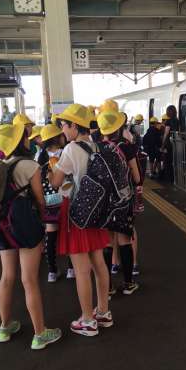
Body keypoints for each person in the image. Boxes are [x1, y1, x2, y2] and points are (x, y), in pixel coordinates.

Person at [0, 124, 62, 350]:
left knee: (7, 276)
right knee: (29, 280)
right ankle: (40, 334)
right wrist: (42, 220)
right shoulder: (29, 165)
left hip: (4, 226)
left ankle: (4, 327)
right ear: (19, 141)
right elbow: (40, 200)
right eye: (25, 137)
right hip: (25, 226)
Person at [49, 104, 112, 336]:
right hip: (97, 211)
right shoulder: (97, 145)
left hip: (78, 213)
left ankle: (87, 320)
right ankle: (103, 312)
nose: (63, 130)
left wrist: (52, 168)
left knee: (82, 270)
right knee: (99, 263)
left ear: (74, 125)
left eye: (64, 125)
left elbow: (56, 183)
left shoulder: (71, 149)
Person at [97, 109, 142, 294]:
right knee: (124, 240)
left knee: (107, 242)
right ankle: (128, 283)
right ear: (118, 128)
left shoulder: (97, 147)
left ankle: (107, 287)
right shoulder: (126, 147)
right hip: (123, 200)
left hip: (104, 200)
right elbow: (137, 177)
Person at [37, 123, 69, 283]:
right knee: (69, 233)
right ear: (57, 138)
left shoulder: (40, 156)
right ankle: (72, 268)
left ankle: (52, 271)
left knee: (50, 235)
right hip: (66, 198)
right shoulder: (66, 153)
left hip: (49, 201)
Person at [161, 105, 179, 183]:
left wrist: (163, 145)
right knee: (173, 161)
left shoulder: (168, 121)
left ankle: (169, 179)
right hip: (176, 144)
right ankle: (174, 178)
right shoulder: (177, 120)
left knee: (167, 161)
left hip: (169, 144)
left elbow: (166, 133)